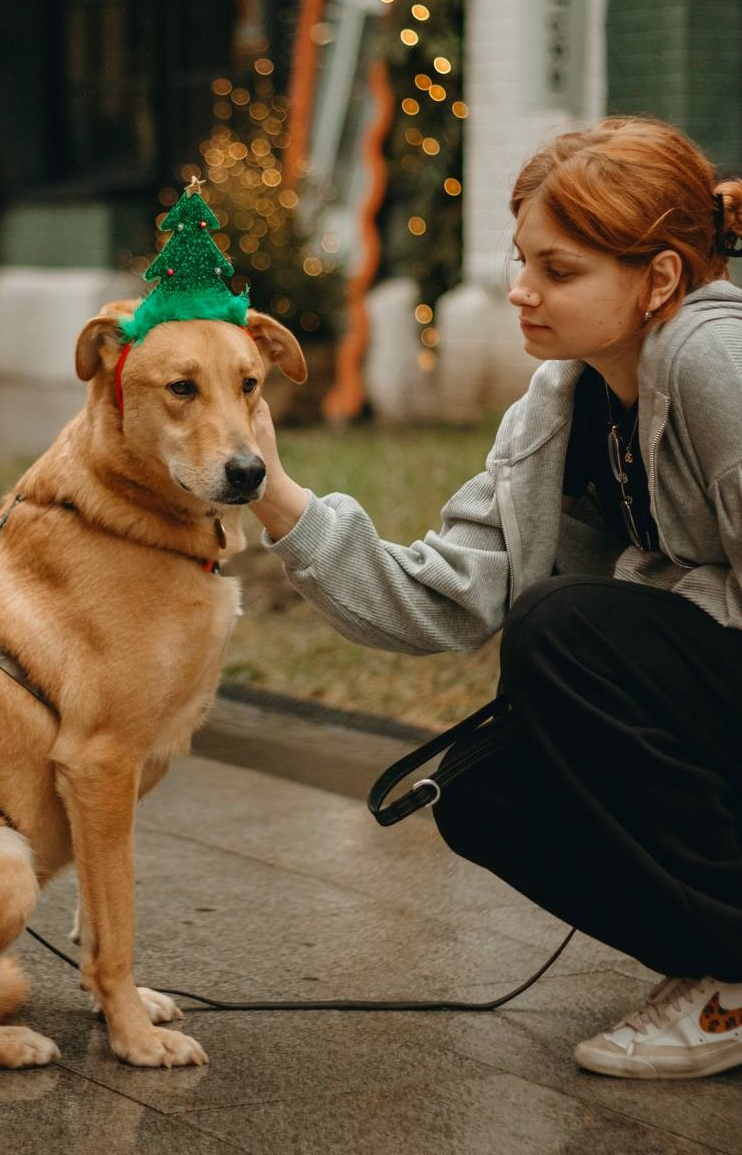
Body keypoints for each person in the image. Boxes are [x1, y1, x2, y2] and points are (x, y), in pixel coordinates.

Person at [250, 116, 742, 1081]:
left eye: (558, 271)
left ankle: (729, 974)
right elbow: (442, 598)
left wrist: (644, 620)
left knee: (567, 630)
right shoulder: (563, 400)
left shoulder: (711, 359)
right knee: (482, 795)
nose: (520, 290)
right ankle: (713, 961)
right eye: (522, 261)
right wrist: (270, 490)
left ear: (658, 280)